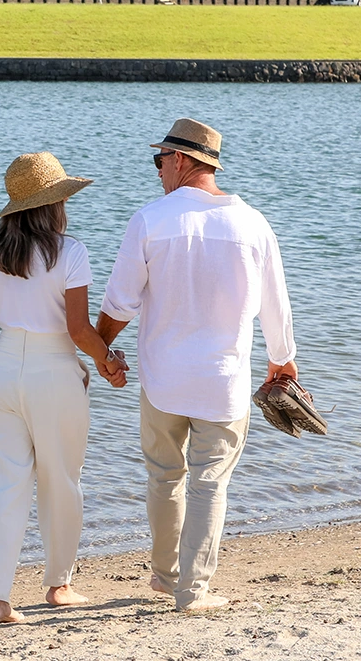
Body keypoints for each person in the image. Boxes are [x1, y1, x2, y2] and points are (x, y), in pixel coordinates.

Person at [95, 118, 297, 613]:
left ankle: (166, 577)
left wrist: (99, 350)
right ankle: (193, 589)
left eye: (160, 160)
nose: (158, 170)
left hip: (162, 377)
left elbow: (119, 303)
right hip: (223, 380)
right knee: (210, 481)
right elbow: (276, 304)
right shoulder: (251, 222)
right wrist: (282, 363)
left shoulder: (150, 219)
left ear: (182, 161)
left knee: (165, 476)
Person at [0, 152, 127, 625]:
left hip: (3, 374)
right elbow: (77, 329)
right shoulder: (69, 252)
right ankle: (59, 585)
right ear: (55, 203)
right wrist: (108, 361)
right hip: (55, 374)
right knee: (61, 480)